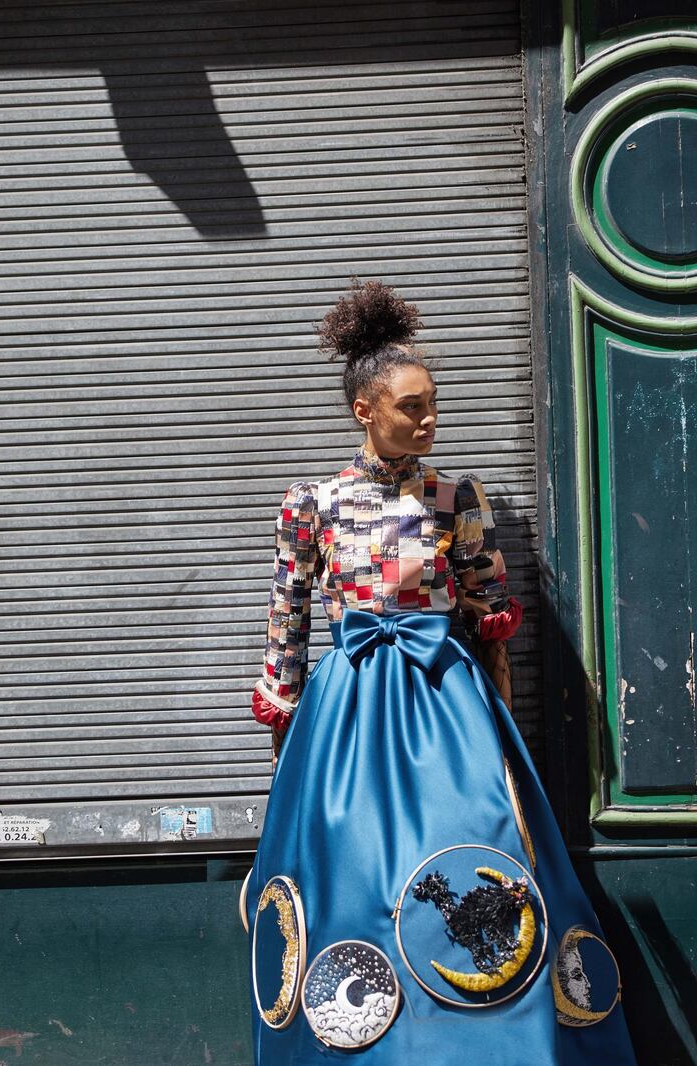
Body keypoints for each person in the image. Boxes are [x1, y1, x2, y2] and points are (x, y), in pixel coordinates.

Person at [243, 278, 637, 1064]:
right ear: (365, 412)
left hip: (449, 704)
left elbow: (491, 613)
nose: (430, 419)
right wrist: (281, 700)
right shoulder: (311, 503)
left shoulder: (457, 498)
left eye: (433, 403)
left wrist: (501, 724)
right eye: (411, 407)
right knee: (351, 874)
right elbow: (287, 611)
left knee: (485, 852)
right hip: (350, 712)